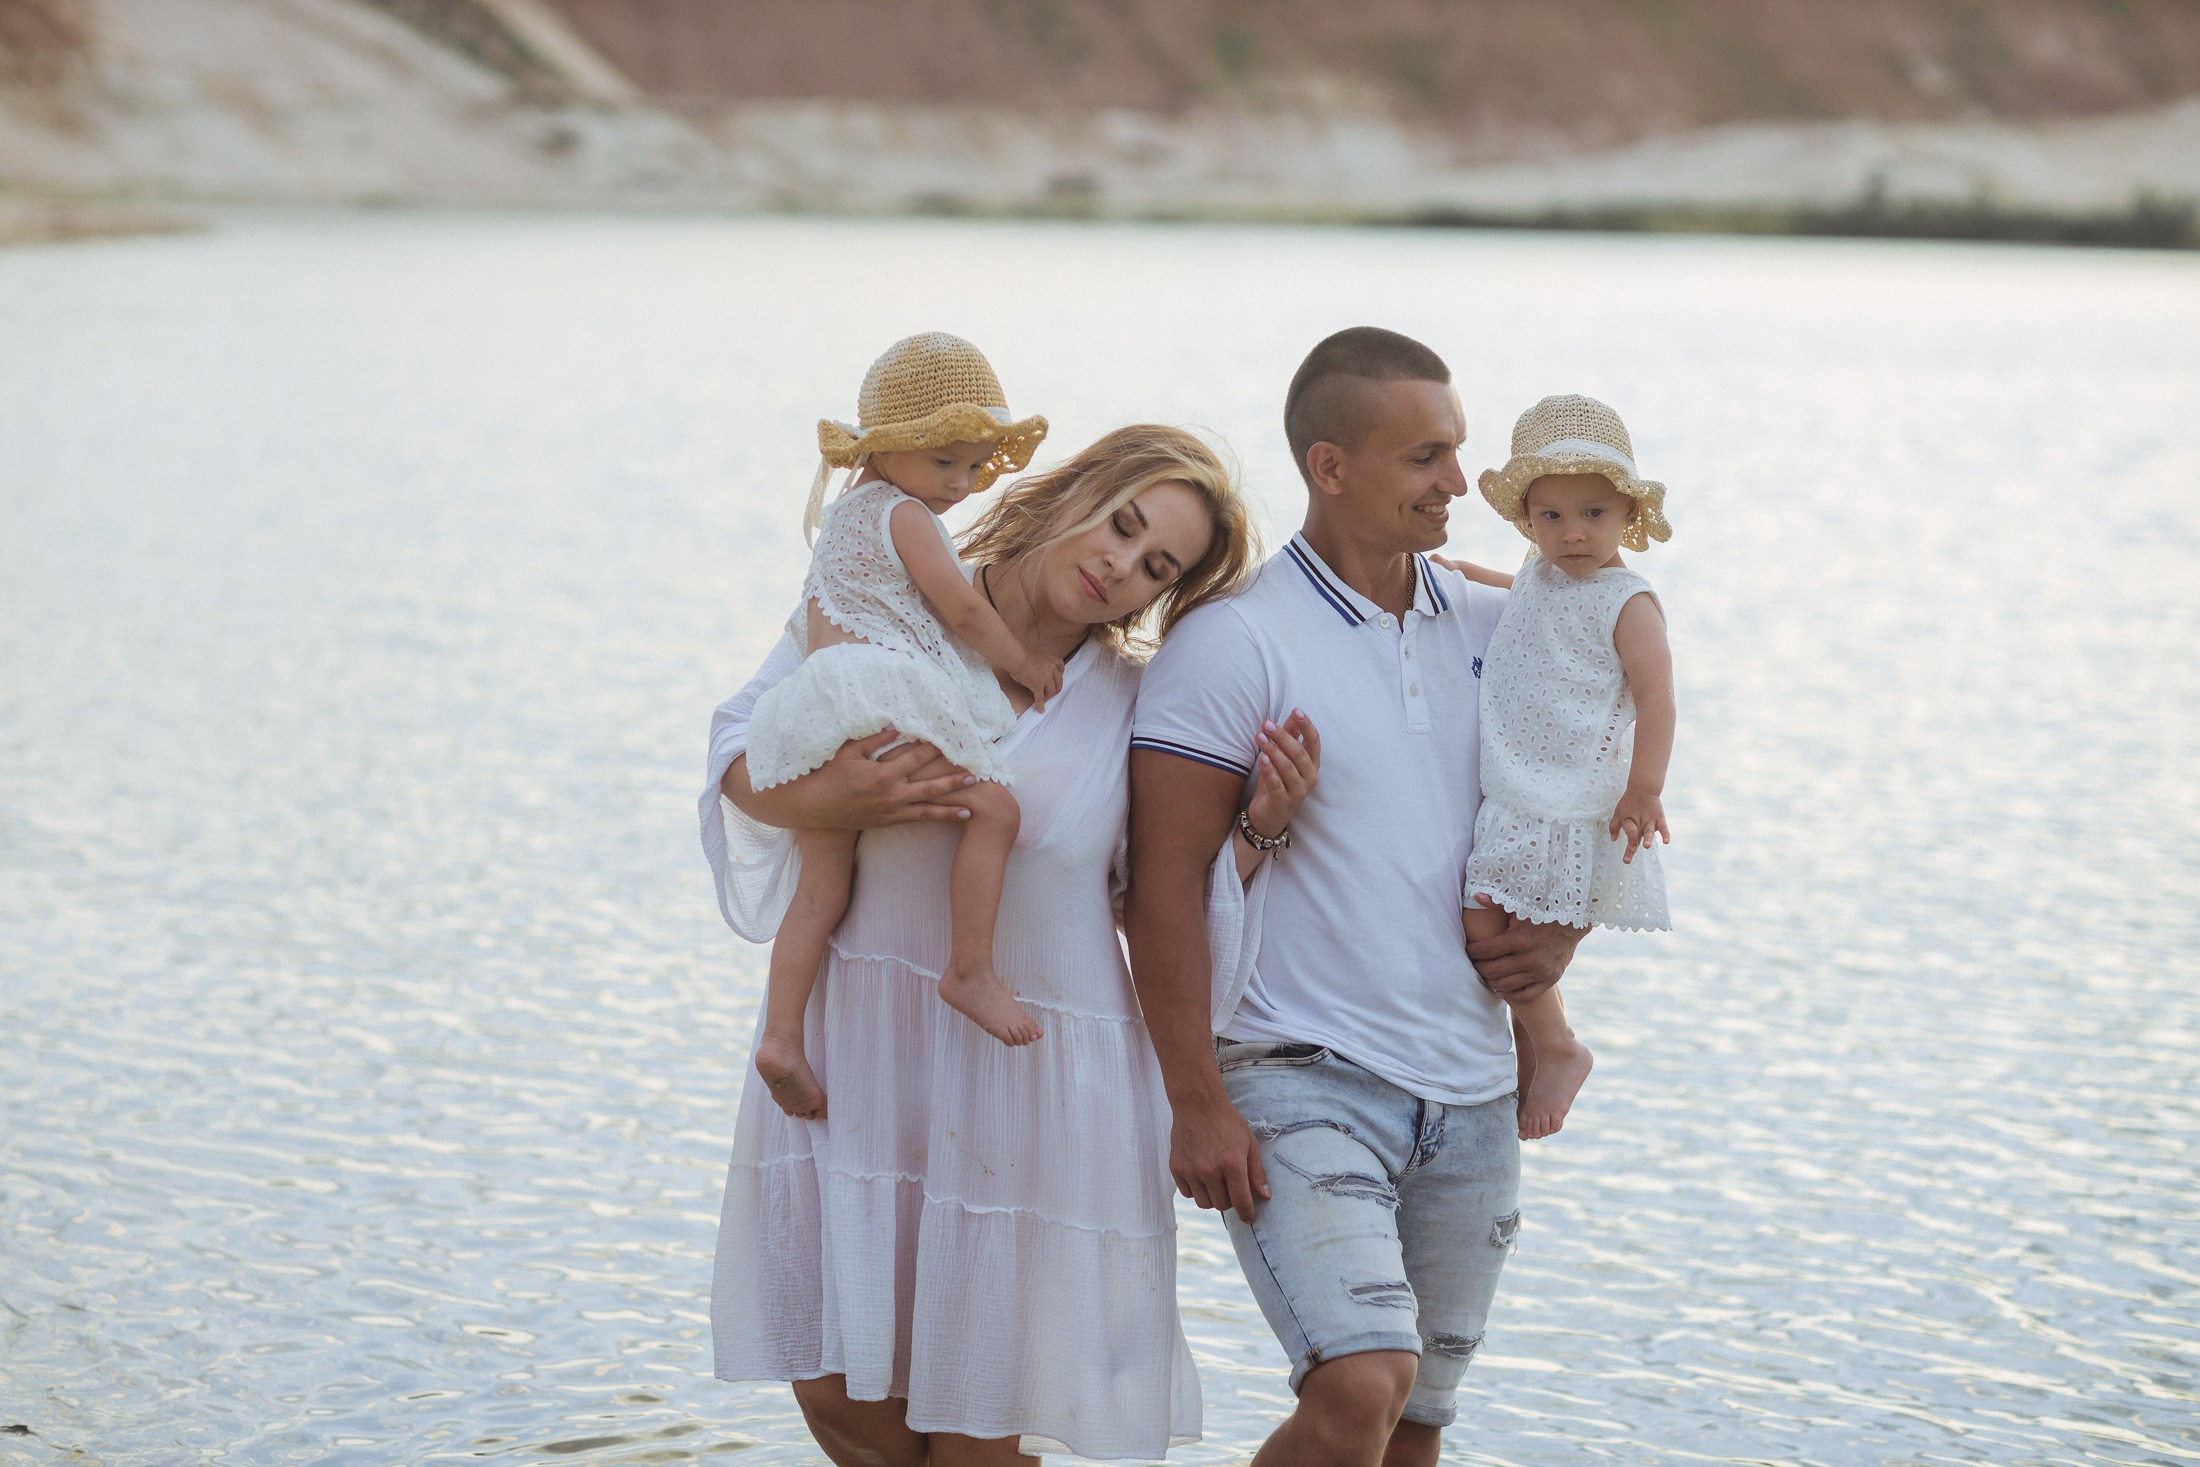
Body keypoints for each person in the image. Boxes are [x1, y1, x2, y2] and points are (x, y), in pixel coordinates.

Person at [701, 424, 1266, 1464]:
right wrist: (839, 793)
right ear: (1075, 495)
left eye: (1156, 567)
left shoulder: (1133, 703)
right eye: (1123, 524)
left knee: (978, 1447)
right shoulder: (885, 594)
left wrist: (1260, 826)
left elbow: (1159, 893)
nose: (1119, 566)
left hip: (1027, 1094)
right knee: (842, 1407)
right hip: (854, 1063)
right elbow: (736, 746)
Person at [1126, 327, 1586, 1467]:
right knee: (1358, 1385)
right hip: (1299, 1075)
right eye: (1425, 458)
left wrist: (1560, 943)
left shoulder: (1500, 625)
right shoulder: (1233, 642)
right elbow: (1161, 890)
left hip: (1474, 1097)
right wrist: (1193, 1099)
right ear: (1331, 468)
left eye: (1457, 452)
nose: (1459, 484)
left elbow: (1593, 790)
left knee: (1413, 1426)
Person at [746, 332, 1060, 1122]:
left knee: (822, 885)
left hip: (821, 710)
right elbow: (958, 607)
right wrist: (1019, 661)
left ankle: (782, 1035)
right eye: (943, 461)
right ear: (890, 449)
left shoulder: (849, 515)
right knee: (997, 808)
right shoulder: (906, 515)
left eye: (973, 465)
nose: (959, 484)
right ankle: (971, 969)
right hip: (877, 698)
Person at [1461, 393, 1676, 1140]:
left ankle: (1557, 1044)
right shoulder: (1539, 574)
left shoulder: (1628, 600)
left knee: (1495, 923)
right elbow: (1523, 600)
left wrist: (1644, 787)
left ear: (1626, 517)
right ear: (1528, 522)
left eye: (1592, 513)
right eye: (1550, 516)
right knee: (1493, 917)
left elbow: (1658, 699)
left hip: (1571, 795)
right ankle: (1536, 1048)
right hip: (1520, 786)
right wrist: (1460, 575)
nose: (1571, 532)